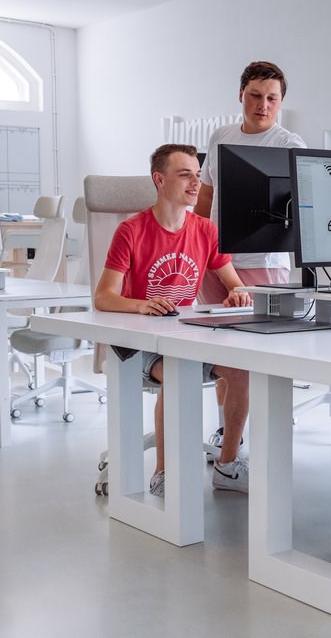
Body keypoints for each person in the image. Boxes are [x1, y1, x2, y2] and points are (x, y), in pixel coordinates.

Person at [94, 143, 254, 498]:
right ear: (159, 180)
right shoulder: (131, 231)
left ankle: (227, 466)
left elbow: (234, 282)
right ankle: (163, 472)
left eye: (198, 175)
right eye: (185, 175)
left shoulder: (206, 230)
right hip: (138, 345)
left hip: (186, 337)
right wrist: (141, 305)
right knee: (178, 370)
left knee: (242, 370)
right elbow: (103, 296)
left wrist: (239, 293)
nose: (196, 183)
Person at [195, 60, 306, 303]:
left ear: (280, 102)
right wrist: (197, 248)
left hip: (262, 265)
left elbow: (304, 208)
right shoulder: (221, 135)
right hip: (214, 262)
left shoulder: (289, 145)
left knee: (258, 338)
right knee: (207, 334)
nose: (263, 105)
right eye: (255, 95)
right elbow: (206, 195)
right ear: (241, 94)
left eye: (271, 99)